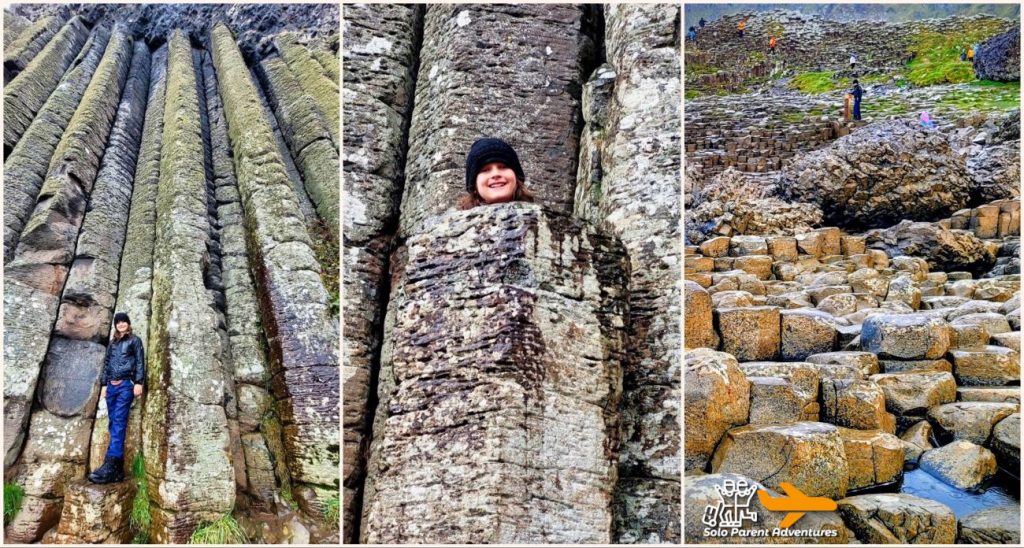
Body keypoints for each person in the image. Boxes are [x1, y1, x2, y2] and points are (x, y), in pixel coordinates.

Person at [88, 312, 145, 484]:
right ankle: (117, 468)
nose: (121, 324)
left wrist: (139, 382)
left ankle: (110, 464)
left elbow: (140, 362)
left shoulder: (134, 341)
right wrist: (105, 384)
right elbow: (106, 364)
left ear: (128, 323)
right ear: (115, 325)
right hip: (111, 387)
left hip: (126, 385)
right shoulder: (112, 344)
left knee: (119, 422)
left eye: (123, 322)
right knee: (113, 423)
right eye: (118, 322)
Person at [459, 138, 536, 210]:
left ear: (516, 178)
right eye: (485, 170)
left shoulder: (541, 219)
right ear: (474, 185)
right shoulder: (455, 223)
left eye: (503, 167)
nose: (495, 174)